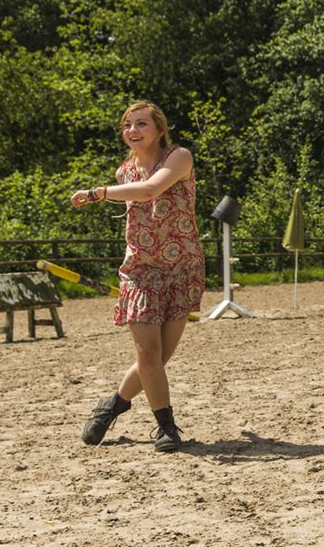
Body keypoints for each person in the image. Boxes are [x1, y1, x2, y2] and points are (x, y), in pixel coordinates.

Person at [71, 101, 204, 452]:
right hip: (141, 271)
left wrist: (96, 194)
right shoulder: (123, 173)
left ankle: (113, 404)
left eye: (141, 124)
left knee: (159, 358)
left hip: (182, 268)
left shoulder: (179, 158)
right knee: (147, 353)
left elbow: (150, 191)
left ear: (159, 129)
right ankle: (167, 428)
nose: (132, 130)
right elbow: (135, 190)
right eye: (127, 125)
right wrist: (107, 190)